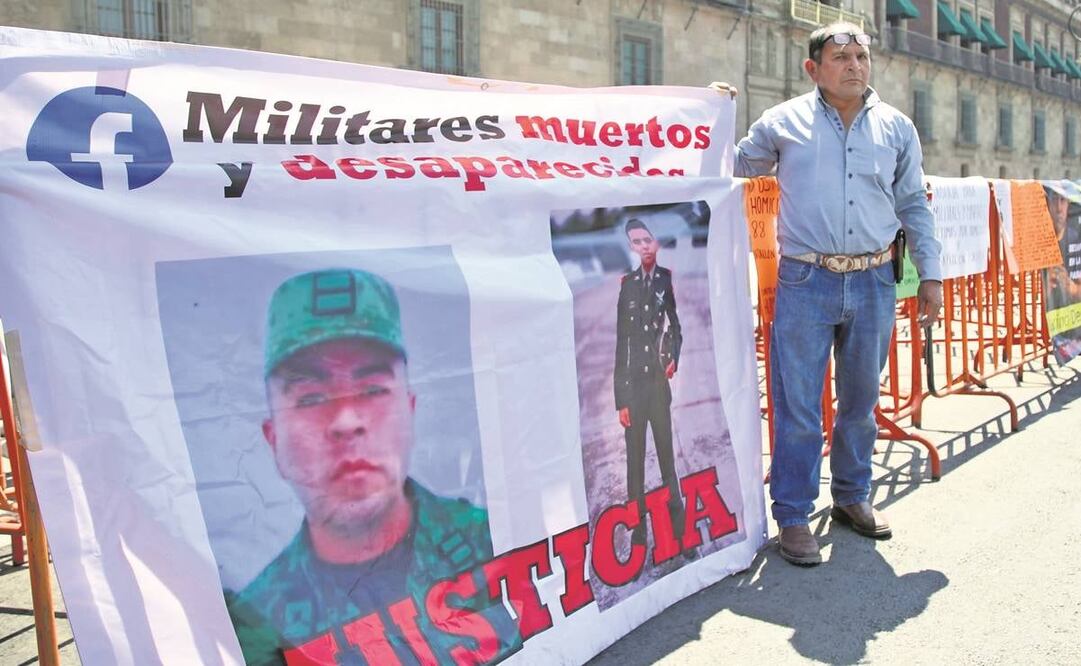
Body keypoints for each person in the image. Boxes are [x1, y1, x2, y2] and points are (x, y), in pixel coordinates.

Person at [711, 22, 944, 566]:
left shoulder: (896, 128)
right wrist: (717, 118)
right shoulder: (782, 122)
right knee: (798, 407)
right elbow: (736, 168)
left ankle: (852, 497)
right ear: (813, 68)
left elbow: (914, 204)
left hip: (874, 279)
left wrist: (930, 274)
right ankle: (793, 515)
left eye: (861, 56)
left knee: (862, 401)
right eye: (840, 57)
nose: (854, 65)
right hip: (804, 280)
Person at [225, 268, 519, 664]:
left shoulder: (498, 541)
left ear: (409, 411)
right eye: (311, 398)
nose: (347, 421)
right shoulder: (255, 624)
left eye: (373, 389)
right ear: (273, 439)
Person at [614, 218, 687, 549]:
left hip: (658, 386)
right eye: (636, 241)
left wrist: (673, 355)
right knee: (635, 463)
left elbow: (676, 326)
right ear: (632, 246)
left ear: (655, 243)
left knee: (666, 456)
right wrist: (621, 399)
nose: (643, 246)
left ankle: (678, 527)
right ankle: (639, 532)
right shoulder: (626, 284)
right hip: (634, 388)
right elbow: (621, 344)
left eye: (647, 240)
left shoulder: (665, 280)